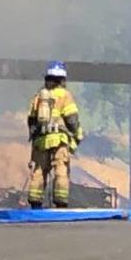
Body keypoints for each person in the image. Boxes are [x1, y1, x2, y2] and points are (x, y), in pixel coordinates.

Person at [26, 61, 83, 208]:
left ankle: (35, 204)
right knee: (61, 170)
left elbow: (31, 120)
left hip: (41, 141)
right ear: (62, 79)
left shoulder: (38, 96)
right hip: (59, 140)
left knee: (38, 171)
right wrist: (78, 135)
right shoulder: (65, 95)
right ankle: (60, 203)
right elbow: (72, 119)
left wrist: (34, 137)